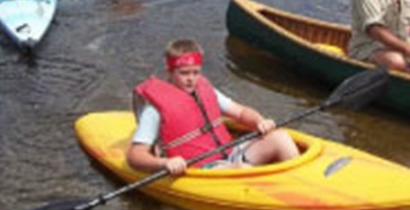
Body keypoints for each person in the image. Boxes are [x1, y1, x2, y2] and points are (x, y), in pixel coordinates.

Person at [127, 38, 300, 174]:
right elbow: (135, 156)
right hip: (201, 168)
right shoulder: (154, 110)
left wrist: (259, 121)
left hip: (229, 154)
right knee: (242, 171)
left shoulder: (205, 90)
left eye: (195, 72)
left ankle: (300, 183)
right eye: (184, 73)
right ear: (170, 72)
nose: (191, 79)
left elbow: (240, 112)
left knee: (280, 138)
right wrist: (165, 163)